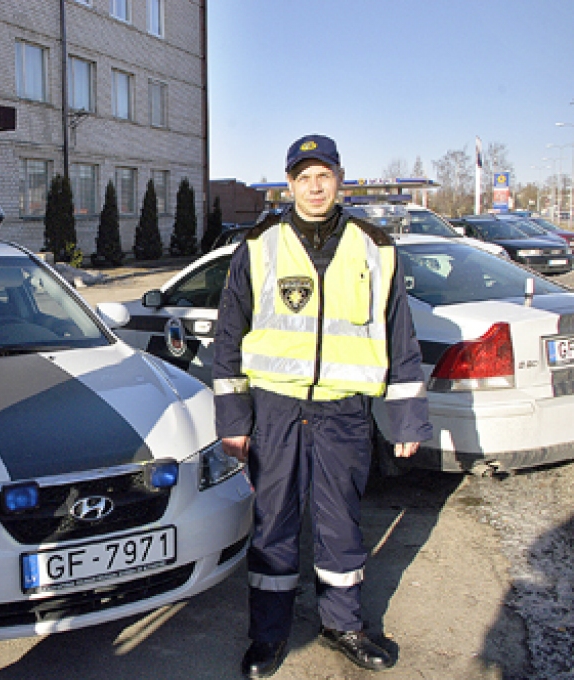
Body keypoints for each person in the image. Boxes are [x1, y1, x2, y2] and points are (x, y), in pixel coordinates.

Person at [213, 134, 431, 679]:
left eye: (323, 175)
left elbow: (399, 336)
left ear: (340, 179)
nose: (314, 185)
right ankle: (267, 638)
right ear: (288, 185)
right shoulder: (259, 245)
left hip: (344, 414)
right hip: (276, 412)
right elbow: (228, 337)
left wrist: (406, 418)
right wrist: (235, 421)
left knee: (341, 527)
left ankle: (344, 625)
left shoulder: (375, 248)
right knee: (273, 527)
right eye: (303, 176)